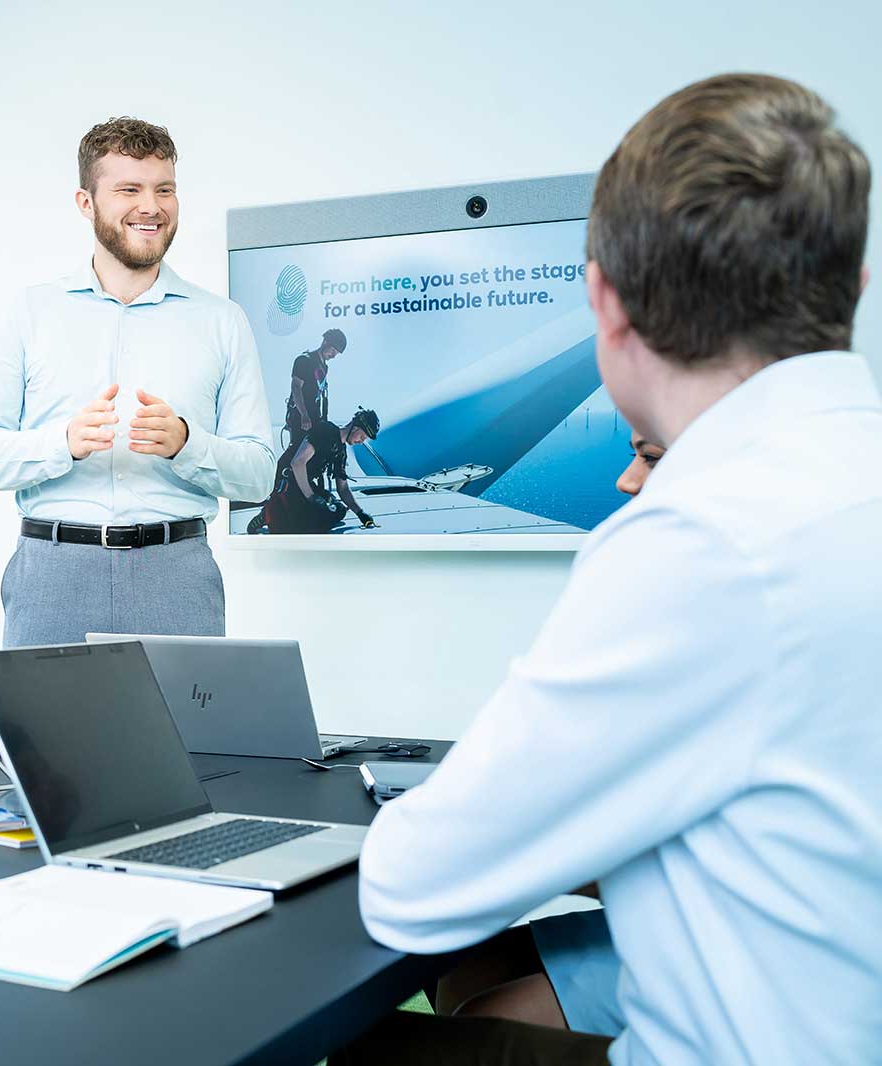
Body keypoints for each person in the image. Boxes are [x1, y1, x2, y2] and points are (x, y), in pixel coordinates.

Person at [343, 73, 881, 1065]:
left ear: (605, 301)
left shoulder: (705, 538)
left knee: (379, 1046)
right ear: (849, 283)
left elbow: (410, 885)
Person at [0, 116, 273, 646]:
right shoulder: (32, 311)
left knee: (184, 732)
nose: (151, 206)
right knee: (47, 731)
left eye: (164, 189)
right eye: (129, 189)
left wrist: (187, 444)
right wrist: (63, 443)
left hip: (177, 576)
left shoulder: (222, 320)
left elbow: (260, 475)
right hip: (52, 575)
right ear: (86, 202)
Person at [431, 432, 669, 1036]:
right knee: (460, 973)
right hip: (669, 908)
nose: (626, 480)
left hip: (732, 950)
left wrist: (532, 857)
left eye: (650, 458)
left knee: (472, 1022)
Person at [258, 408, 380, 533]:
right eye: (362, 437)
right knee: (303, 527)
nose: (361, 442)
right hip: (287, 482)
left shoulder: (340, 452)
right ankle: (267, 513)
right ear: (355, 428)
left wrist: (360, 513)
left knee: (339, 511)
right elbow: (297, 463)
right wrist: (311, 497)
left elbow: (342, 488)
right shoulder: (325, 431)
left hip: (304, 484)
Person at [285, 328, 346, 447]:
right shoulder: (304, 360)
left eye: (336, 353)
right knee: (296, 450)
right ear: (325, 342)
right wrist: (304, 414)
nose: (333, 355)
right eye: (332, 351)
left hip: (314, 416)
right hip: (301, 416)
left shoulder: (324, 367)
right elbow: (296, 387)